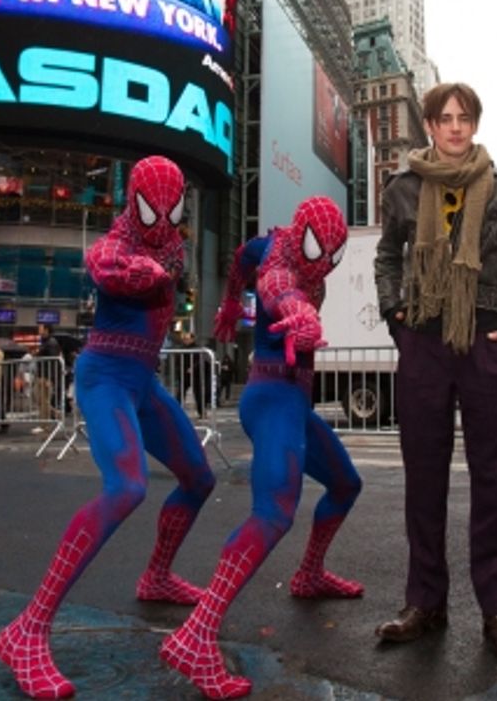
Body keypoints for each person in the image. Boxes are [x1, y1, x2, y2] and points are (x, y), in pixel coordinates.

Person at [0, 156, 216, 700]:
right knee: (126, 488)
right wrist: (146, 272)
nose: (163, 217)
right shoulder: (121, 242)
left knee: (199, 478)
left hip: (143, 381)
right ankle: (27, 629)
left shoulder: (171, 247)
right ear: (133, 199)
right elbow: (104, 261)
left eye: (173, 206)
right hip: (106, 376)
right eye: (152, 205)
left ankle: (157, 576)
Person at [161, 197, 363, 699]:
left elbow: (241, 259)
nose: (324, 263)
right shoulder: (281, 256)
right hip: (272, 396)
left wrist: (230, 302)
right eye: (320, 249)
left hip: (291, 401)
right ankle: (196, 634)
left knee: (344, 483)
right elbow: (276, 286)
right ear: (302, 235)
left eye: (333, 255)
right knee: (273, 512)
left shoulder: (268, 243)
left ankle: (309, 573)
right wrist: (298, 314)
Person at [372, 82, 497, 662]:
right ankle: (425, 603)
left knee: (494, 481)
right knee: (424, 480)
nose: (454, 127)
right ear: (427, 124)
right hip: (422, 340)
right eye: (443, 118)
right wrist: (396, 316)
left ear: (474, 124)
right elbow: (388, 256)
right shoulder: (401, 189)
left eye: (463, 118)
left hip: (484, 343)